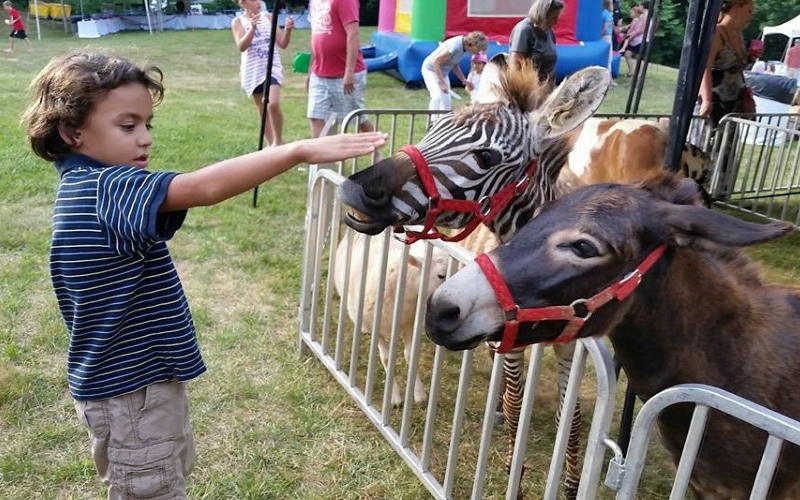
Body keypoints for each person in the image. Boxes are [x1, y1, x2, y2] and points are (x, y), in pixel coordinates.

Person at [20, 50, 386, 499]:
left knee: (165, 476)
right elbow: (204, 187)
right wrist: (295, 151)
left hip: (134, 385)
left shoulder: (81, 184)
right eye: (127, 125)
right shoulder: (106, 187)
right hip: (132, 394)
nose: (145, 139)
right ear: (71, 130)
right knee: (151, 488)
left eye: (147, 125)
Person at [307, 0, 376, 138]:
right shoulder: (314, 2)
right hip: (319, 72)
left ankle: (377, 151)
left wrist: (349, 72)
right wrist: (310, 71)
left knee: (357, 118)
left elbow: (353, 34)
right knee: (316, 116)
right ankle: (323, 158)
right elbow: (316, 37)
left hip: (345, 72)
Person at [232, 0, 294, 147]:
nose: (258, 2)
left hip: (271, 67)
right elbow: (241, 46)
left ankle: (278, 141)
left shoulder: (269, 18)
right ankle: (270, 143)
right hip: (253, 70)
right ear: (242, 3)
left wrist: (288, 31)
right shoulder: (238, 22)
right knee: (261, 108)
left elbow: (283, 44)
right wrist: (252, 28)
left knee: (272, 103)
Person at [698, 0, 758, 126]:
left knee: (727, 142)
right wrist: (707, 100)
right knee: (708, 139)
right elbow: (705, 68)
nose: (751, 17)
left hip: (733, 102)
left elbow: (736, 67)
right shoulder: (716, 33)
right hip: (714, 99)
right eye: (749, 11)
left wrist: (751, 58)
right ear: (736, 9)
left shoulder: (738, 34)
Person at [421, 31, 488, 115]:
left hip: (442, 72)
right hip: (431, 70)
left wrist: (464, 80)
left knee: (446, 101)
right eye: (477, 50)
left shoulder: (464, 48)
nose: (478, 53)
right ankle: (432, 122)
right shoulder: (456, 46)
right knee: (437, 97)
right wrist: (442, 83)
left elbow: (454, 64)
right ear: (471, 44)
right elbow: (436, 62)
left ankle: (443, 122)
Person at [508, 0, 565, 84]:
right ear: (543, 16)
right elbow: (515, 66)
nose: (556, 22)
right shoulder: (523, 30)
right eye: (554, 18)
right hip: (529, 89)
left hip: (547, 87)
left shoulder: (549, 31)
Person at [622, 5, 644, 77]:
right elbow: (629, 27)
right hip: (632, 41)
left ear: (636, 13)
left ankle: (640, 74)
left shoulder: (638, 20)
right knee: (627, 54)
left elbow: (637, 31)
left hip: (637, 41)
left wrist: (629, 35)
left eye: (631, 13)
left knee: (638, 57)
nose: (630, 14)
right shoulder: (634, 20)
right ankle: (631, 72)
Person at [601, 0, 617, 86]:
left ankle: (608, 78)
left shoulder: (603, 13)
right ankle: (609, 79)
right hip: (606, 37)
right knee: (608, 58)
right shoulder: (607, 14)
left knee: (607, 58)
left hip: (605, 36)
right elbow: (605, 28)